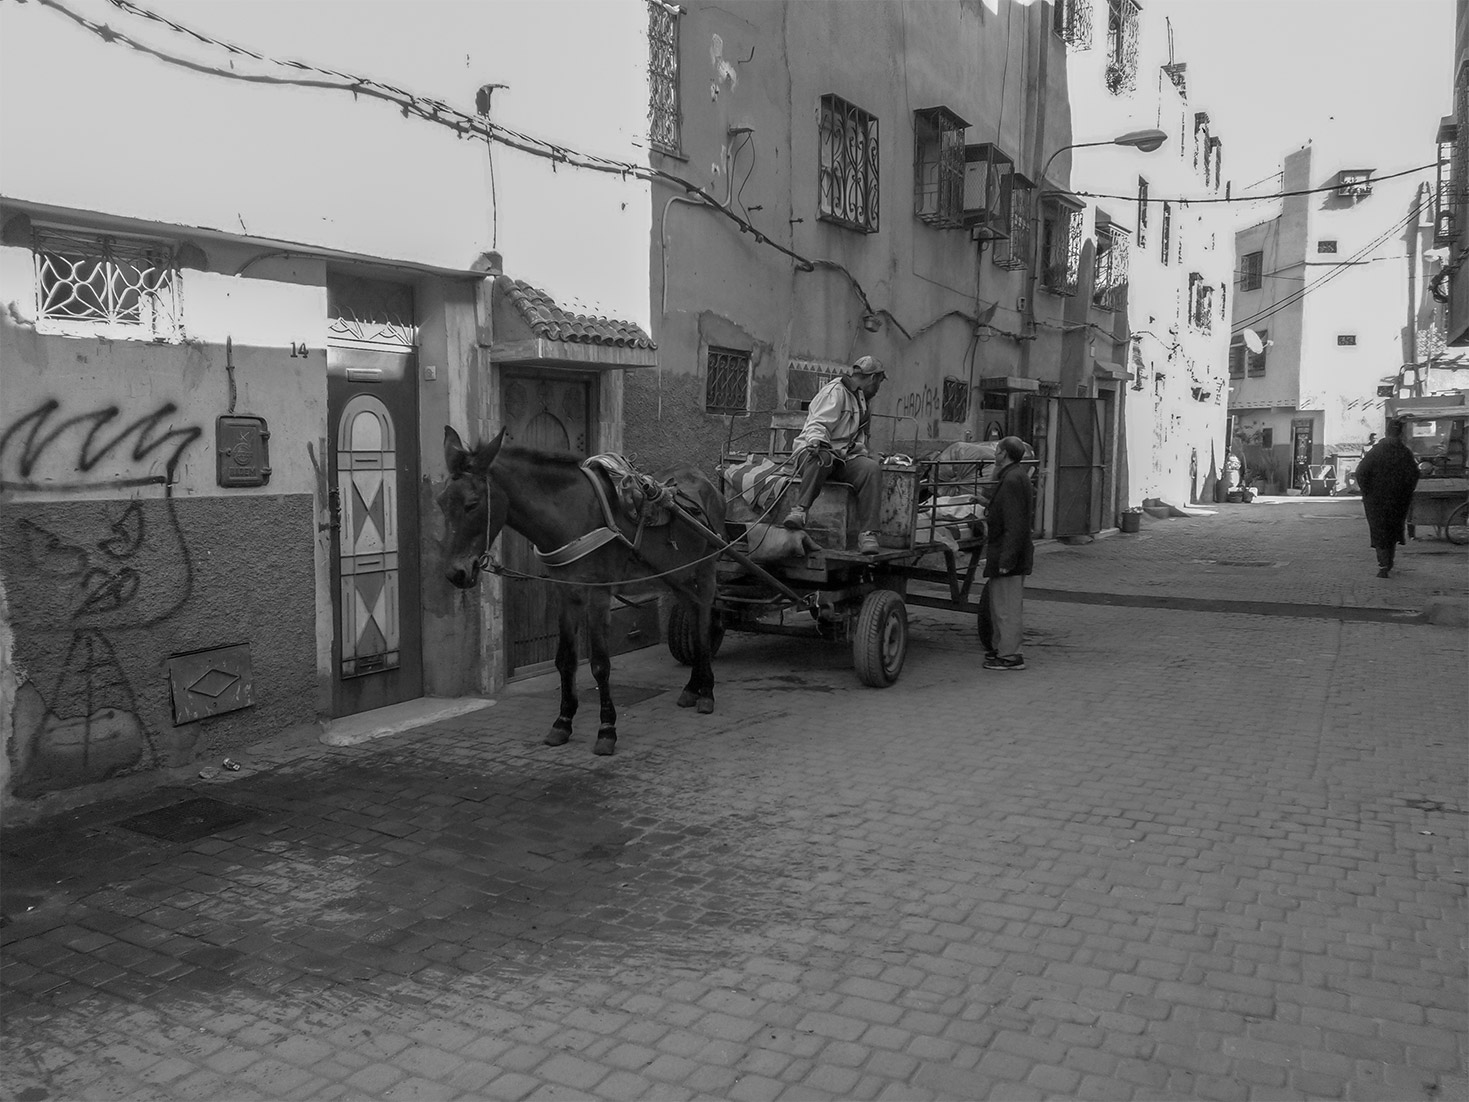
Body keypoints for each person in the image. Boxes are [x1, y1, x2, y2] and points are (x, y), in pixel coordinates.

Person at [783, 355, 886, 555]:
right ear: (873, 378)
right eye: (879, 382)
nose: (878, 389)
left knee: (871, 469)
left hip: (842, 457)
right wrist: (816, 441)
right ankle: (800, 511)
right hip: (814, 453)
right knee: (823, 458)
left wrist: (866, 454)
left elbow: (857, 437)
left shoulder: (862, 400)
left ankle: (868, 534)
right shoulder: (836, 391)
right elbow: (818, 423)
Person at [981, 436, 1034, 670]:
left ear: (1004, 454)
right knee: (1000, 607)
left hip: (1008, 554)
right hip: (1005, 552)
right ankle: (1001, 649)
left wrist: (1007, 559)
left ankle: (1011, 656)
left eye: (997, 450)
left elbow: (1015, 523)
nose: (995, 454)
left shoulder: (1012, 479)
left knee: (1007, 609)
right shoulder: (1013, 476)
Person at [1354, 419, 1420, 578]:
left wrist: (1367, 492)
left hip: (1376, 501)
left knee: (1379, 530)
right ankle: (1388, 561)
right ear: (1401, 434)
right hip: (1398, 500)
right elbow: (1414, 475)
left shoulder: (1376, 452)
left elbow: (1361, 472)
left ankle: (1383, 564)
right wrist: (1406, 492)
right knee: (1392, 530)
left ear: (1386, 432)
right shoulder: (1405, 453)